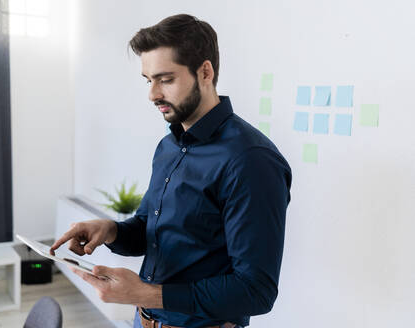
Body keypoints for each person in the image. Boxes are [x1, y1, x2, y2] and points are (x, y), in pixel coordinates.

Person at [50, 14, 292, 328]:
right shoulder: (169, 147)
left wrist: (149, 294)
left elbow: (256, 290)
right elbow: (150, 231)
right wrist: (110, 230)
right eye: (148, 80)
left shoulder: (251, 160)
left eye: (165, 79)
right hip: (143, 320)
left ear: (205, 72)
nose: (153, 94)